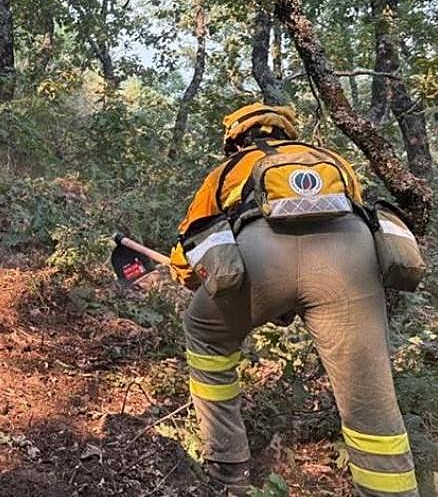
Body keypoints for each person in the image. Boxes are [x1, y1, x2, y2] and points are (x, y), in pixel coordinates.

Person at [169, 103, 418, 496]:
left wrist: (187, 278)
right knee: (370, 396)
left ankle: (227, 473)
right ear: (287, 132)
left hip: (260, 259)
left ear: (235, 140)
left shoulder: (233, 168)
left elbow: (194, 238)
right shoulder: (332, 160)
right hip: (350, 261)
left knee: (205, 334)